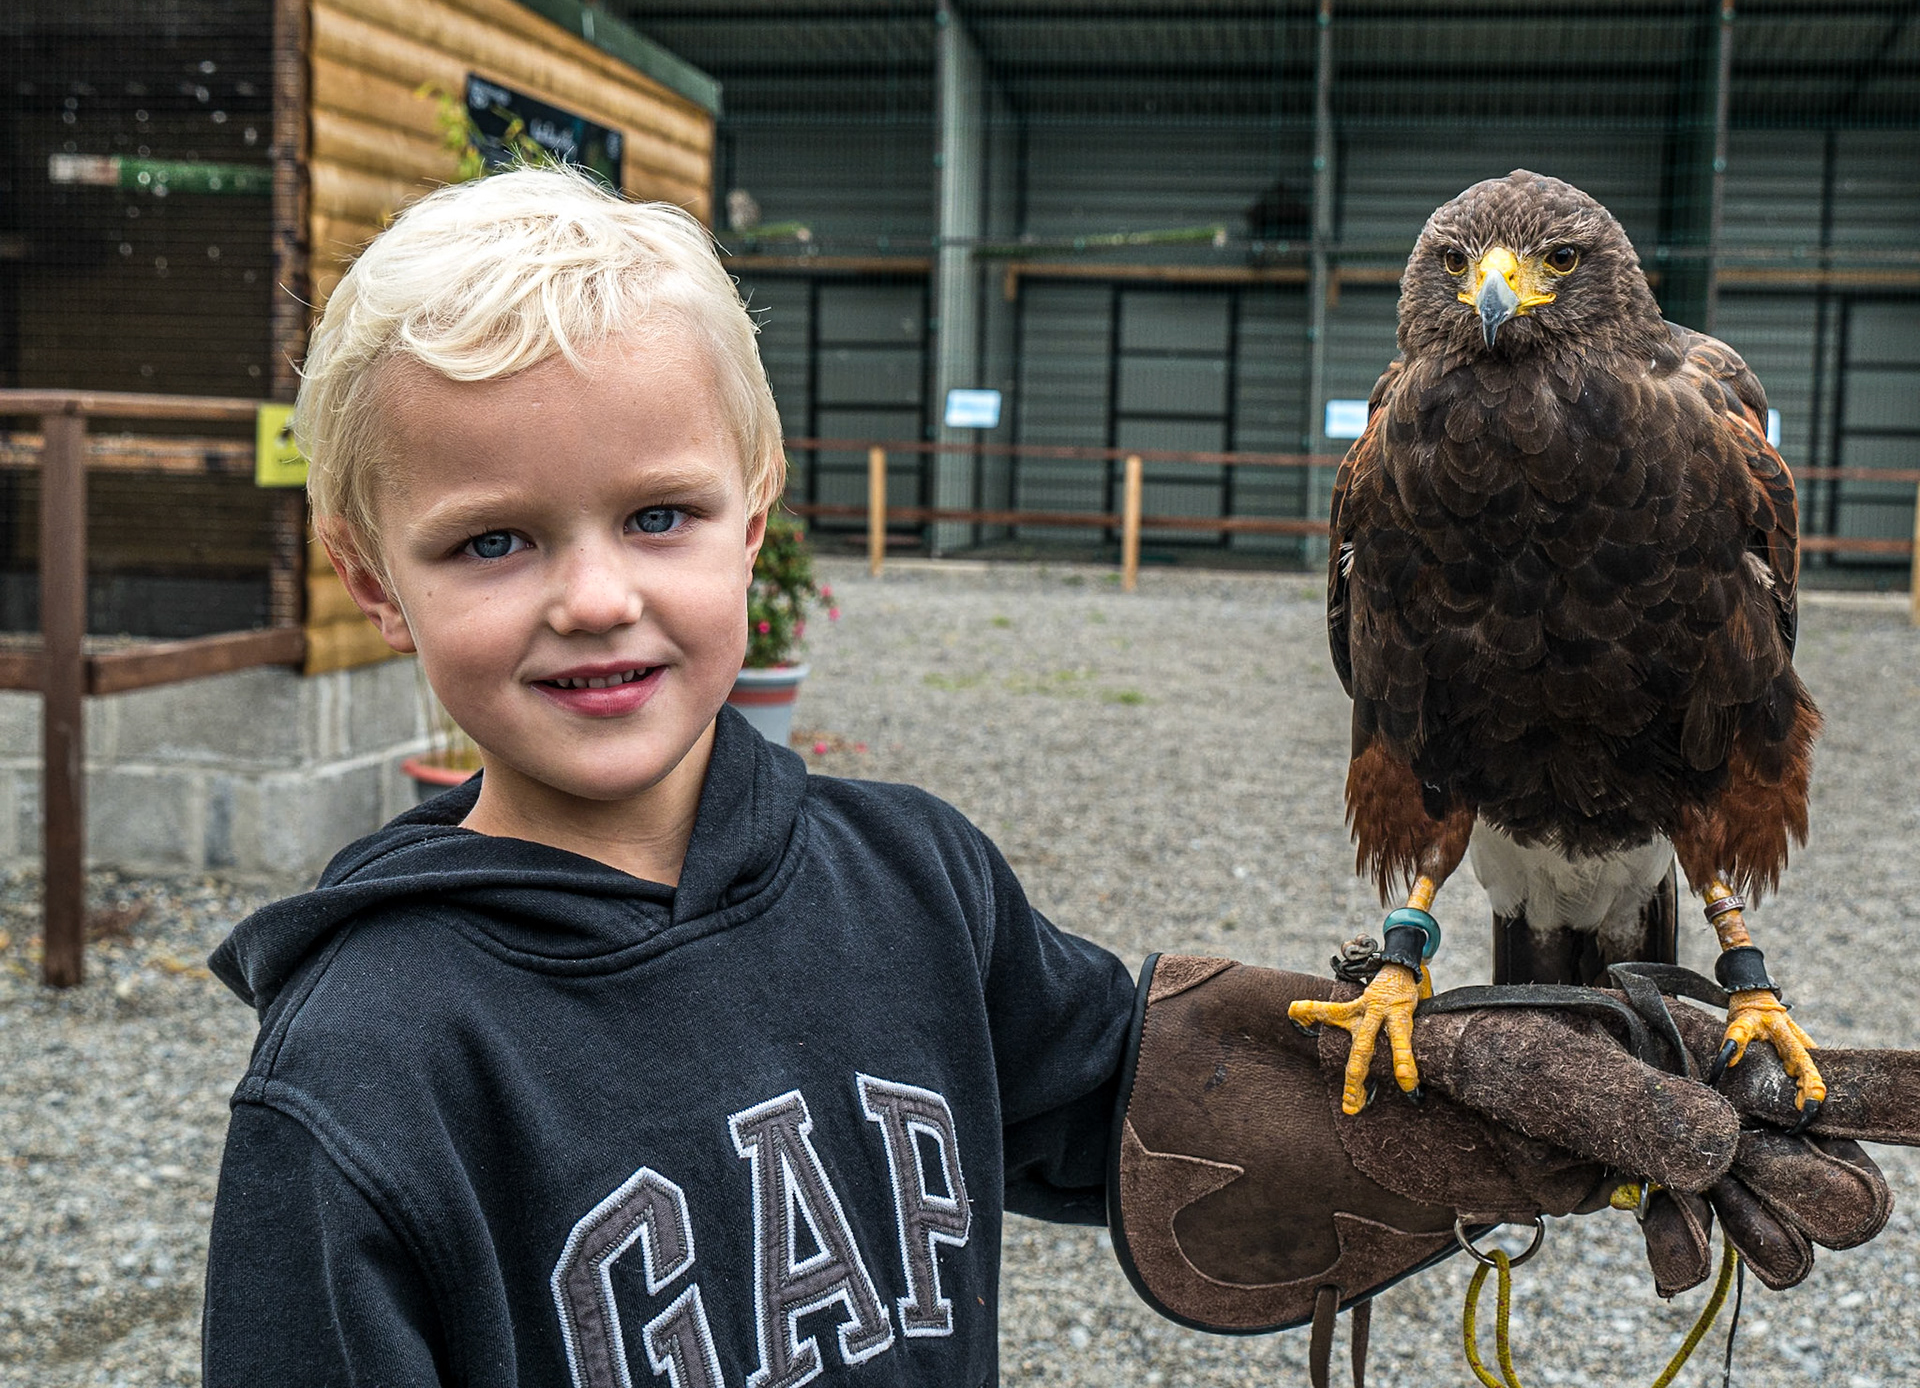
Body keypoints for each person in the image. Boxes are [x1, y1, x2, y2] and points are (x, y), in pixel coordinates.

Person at [200, 168, 1906, 1388]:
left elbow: (1126, 1102)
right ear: (367, 576)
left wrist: (1475, 1107)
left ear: (757, 512)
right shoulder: (360, 1078)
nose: (593, 596)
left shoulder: (911, 881)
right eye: (492, 539)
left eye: (656, 514)